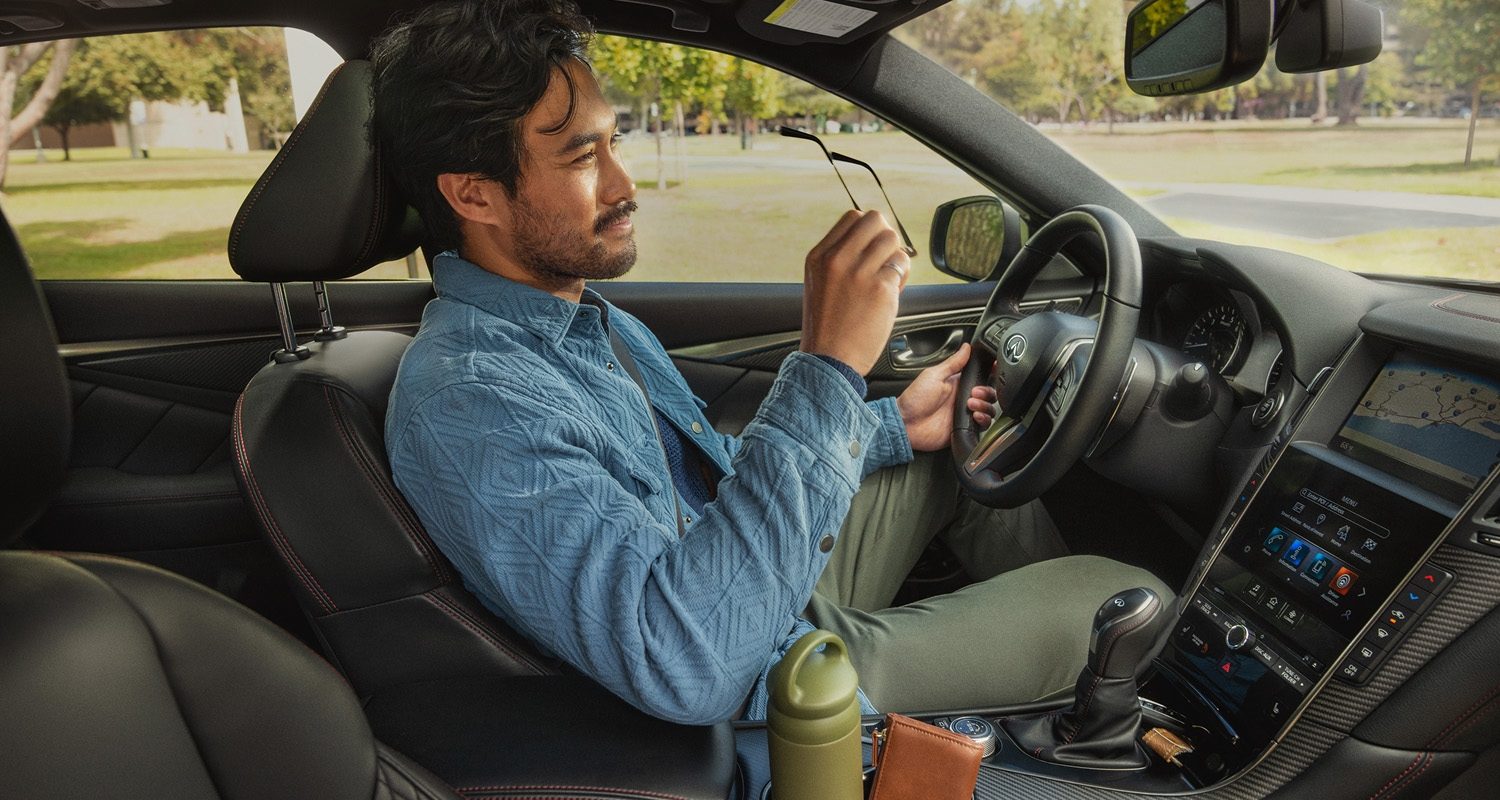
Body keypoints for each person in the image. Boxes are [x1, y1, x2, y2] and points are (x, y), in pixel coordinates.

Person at [375, 0, 1171, 725]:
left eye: (614, 142)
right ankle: (1083, 691)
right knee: (1130, 597)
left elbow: (707, 489)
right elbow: (686, 663)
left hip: (748, 592)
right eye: (584, 158)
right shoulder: (471, 401)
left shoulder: (580, 319)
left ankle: (1064, 712)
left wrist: (890, 424)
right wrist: (826, 365)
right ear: (474, 196)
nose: (625, 184)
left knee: (956, 461)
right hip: (763, 682)